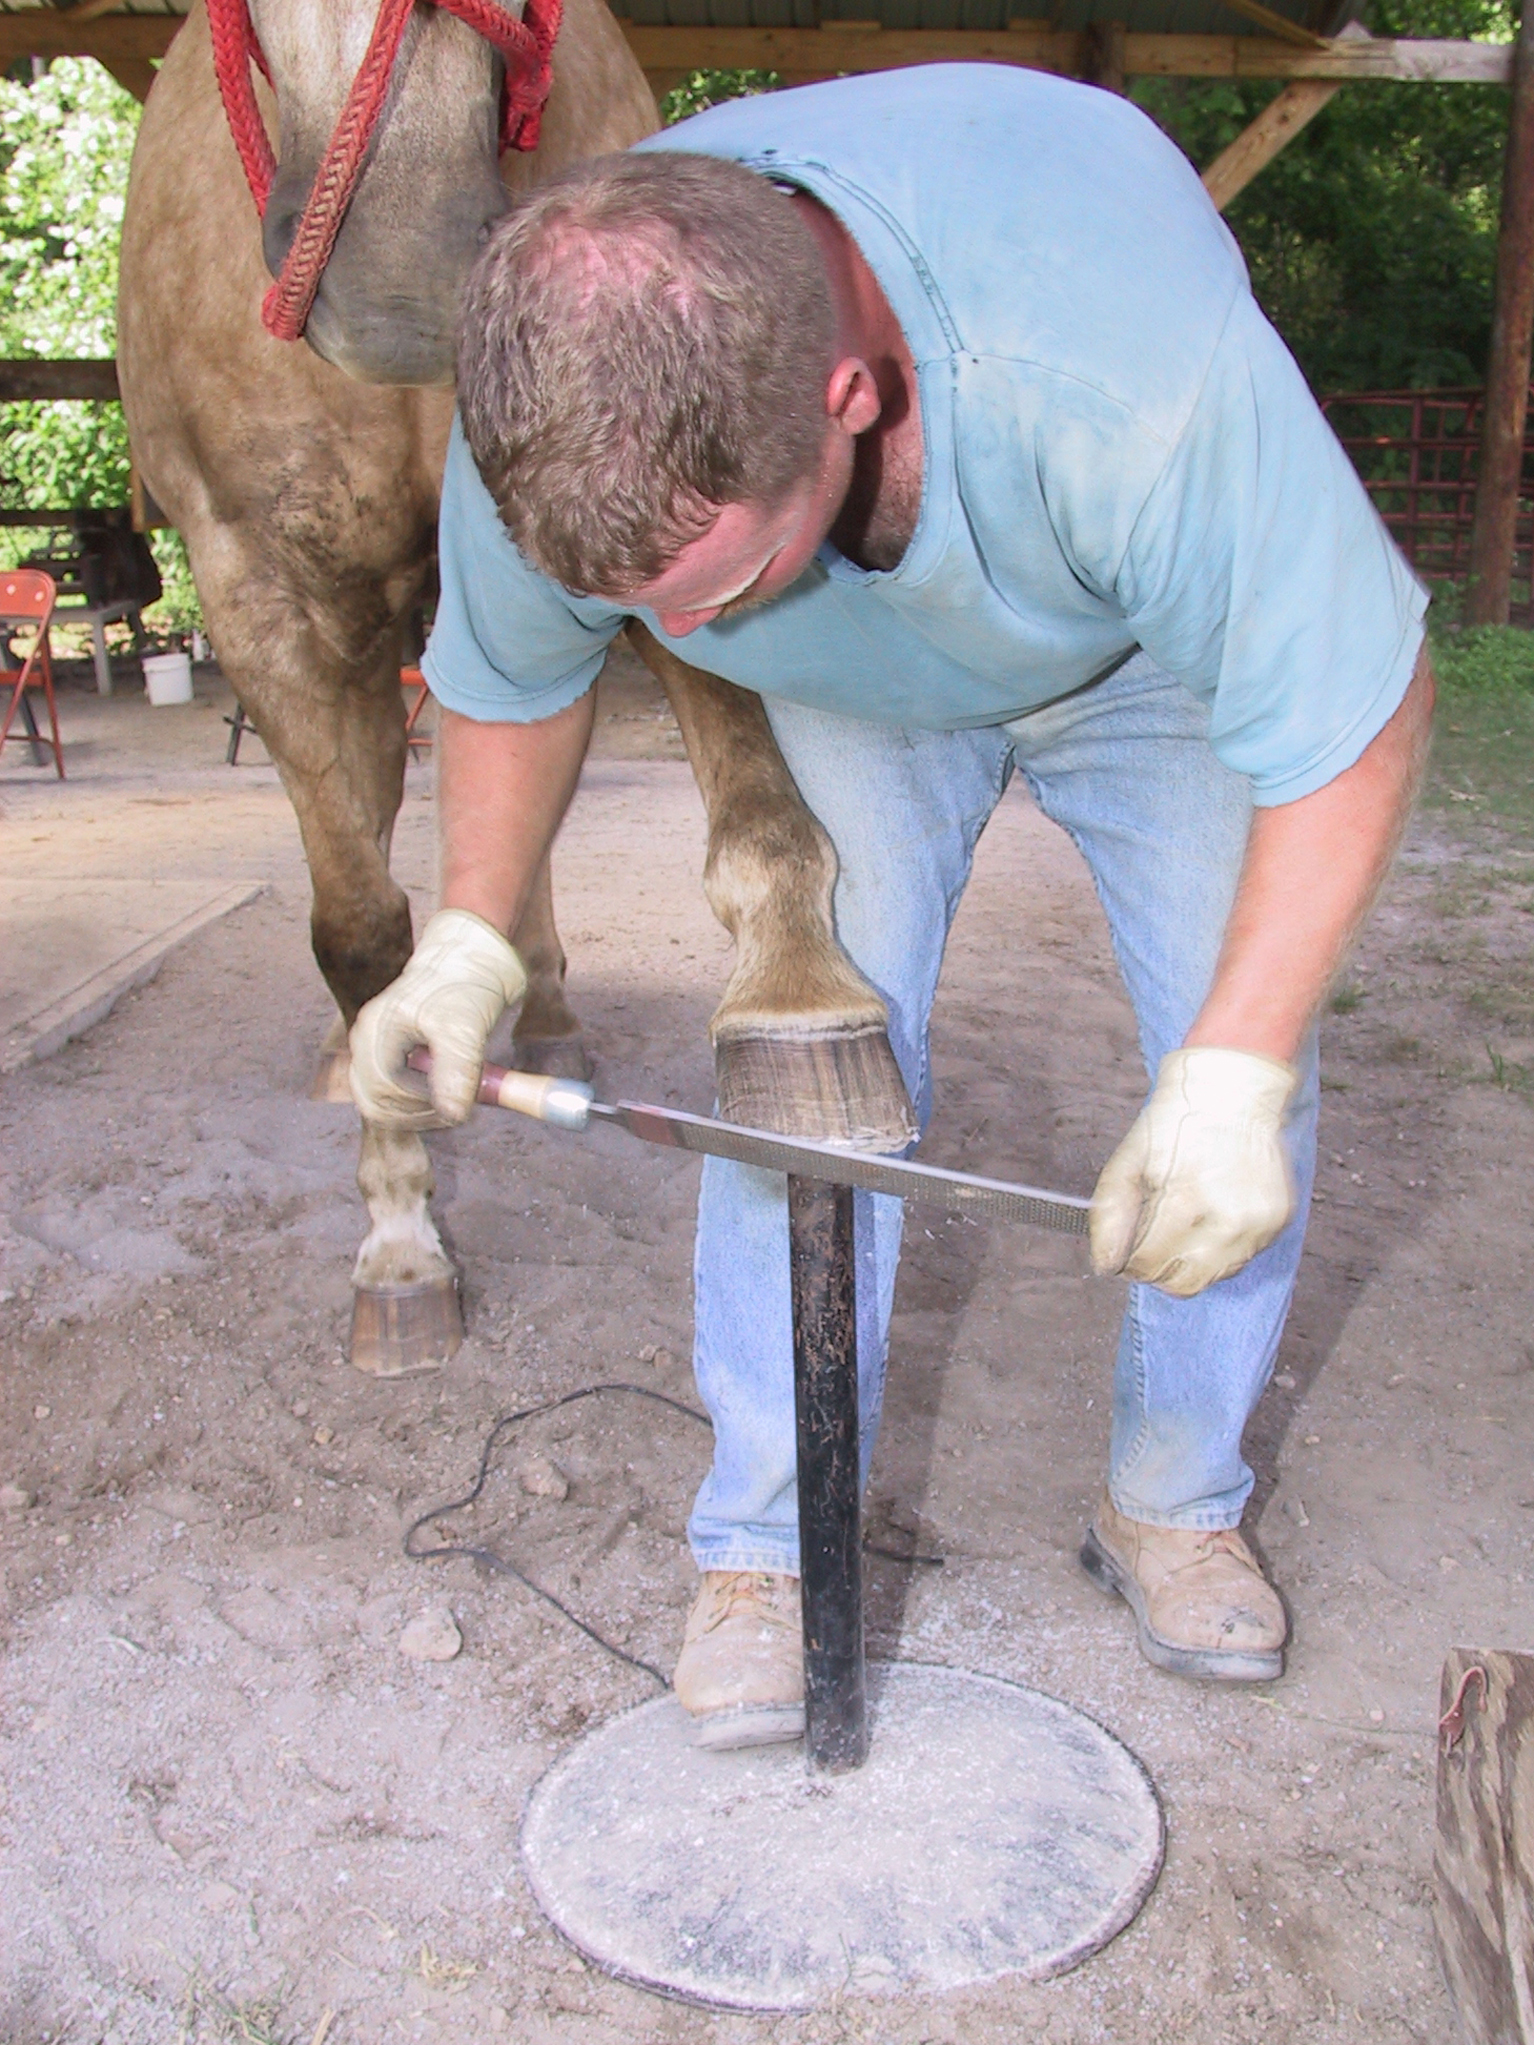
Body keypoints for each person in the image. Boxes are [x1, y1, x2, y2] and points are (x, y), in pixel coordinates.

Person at [349, 64, 1432, 1749]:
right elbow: (508, 676)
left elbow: (1354, 707)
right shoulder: (555, 406)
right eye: (638, 610)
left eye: (701, 594)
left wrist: (1237, 1069)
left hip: (1138, 649)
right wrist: (473, 933)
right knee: (797, 1063)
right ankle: (766, 1549)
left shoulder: (1111, 370)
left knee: (1239, 1063)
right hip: (854, 675)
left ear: (845, 395)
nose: (680, 647)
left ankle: (1171, 1496)